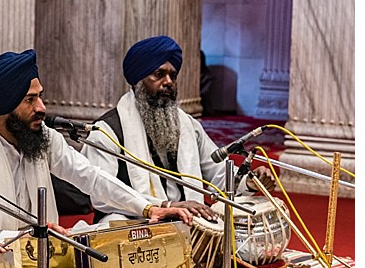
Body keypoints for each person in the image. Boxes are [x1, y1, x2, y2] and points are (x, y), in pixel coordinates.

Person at [0, 49, 190, 242]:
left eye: (40, 96)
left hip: (46, 250)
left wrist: (148, 208)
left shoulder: (44, 138)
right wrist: (25, 238)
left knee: (114, 230)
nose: (42, 108)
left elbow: (91, 177)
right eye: (31, 99)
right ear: (5, 107)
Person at [83, 36, 274, 224]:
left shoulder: (188, 125)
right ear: (138, 80)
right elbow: (101, 194)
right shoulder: (107, 130)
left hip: (187, 219)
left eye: (172, 76)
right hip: (137, 220)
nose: (168, 82)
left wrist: (249, 183)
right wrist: (166, 205)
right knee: (113, 222)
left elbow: (218, 175)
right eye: (159, 75)